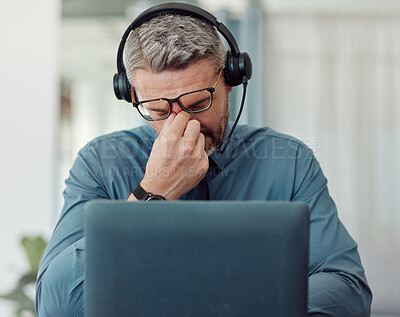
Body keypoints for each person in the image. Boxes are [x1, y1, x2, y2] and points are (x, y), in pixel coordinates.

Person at [35, 4, 372, 317]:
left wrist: (233, 307)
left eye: (197, 104)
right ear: (131, 95)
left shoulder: (290, 161)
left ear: (230, 82)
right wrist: (154, 192)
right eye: (158, 110)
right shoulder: (99, 162)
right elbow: (56, 304)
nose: (181, 126)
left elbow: (347, 289)